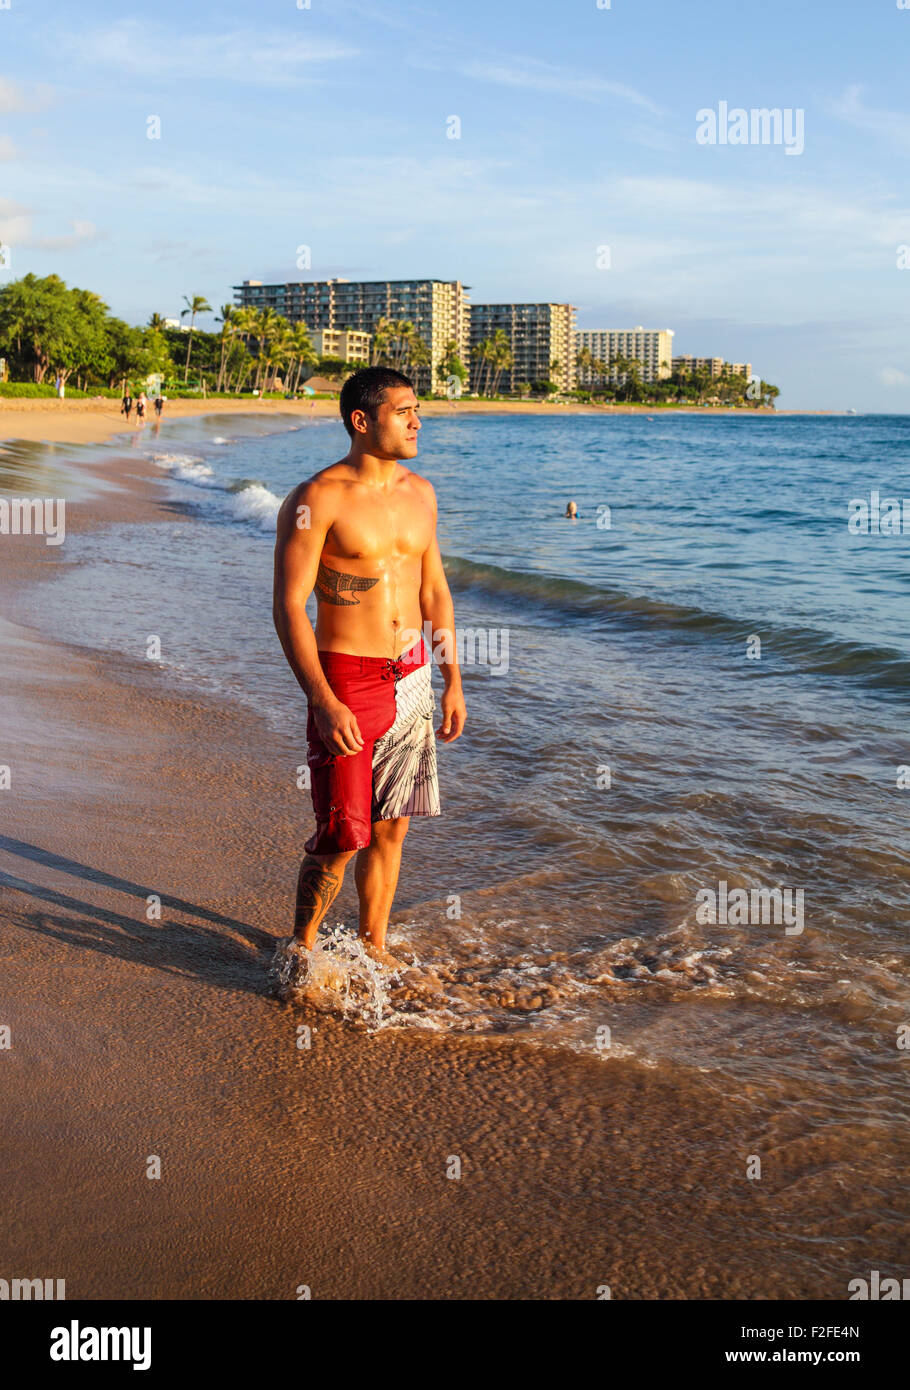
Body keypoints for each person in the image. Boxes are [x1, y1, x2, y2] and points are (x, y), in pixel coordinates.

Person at [271, 366, 466, 989]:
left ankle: (372, 945)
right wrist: (322, 699)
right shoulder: (317, 497)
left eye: (418, 410)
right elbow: (288, 606)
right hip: (346, 678)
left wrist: (452, 677)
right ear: (362, 420)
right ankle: (300, 950)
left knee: (392, 823)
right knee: (341, 832)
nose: (417, 421)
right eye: (404, 410)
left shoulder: (422, 493)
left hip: (410, 676)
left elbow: (434, 588)